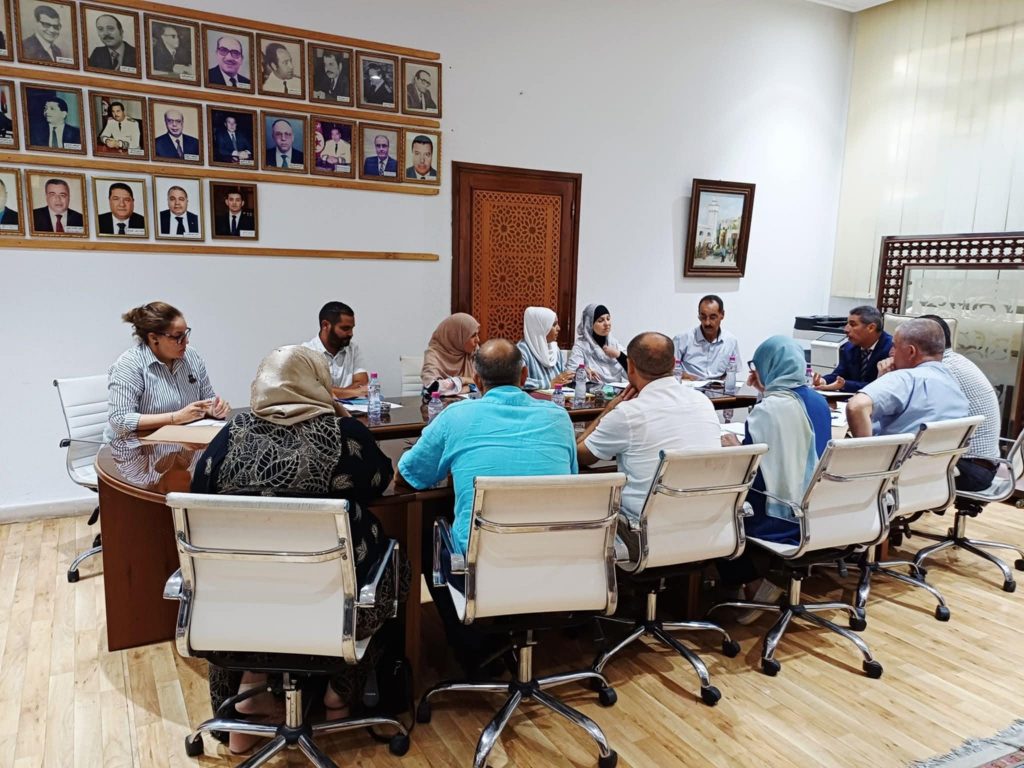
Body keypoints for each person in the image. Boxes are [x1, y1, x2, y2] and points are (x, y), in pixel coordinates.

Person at [191, 345, 401, 753]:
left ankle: (249, 695)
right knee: (392, 562)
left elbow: (200, 491)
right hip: (329, 602)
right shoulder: (343, 436)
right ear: (319, 384)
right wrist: (340, 415)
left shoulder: (230, 434)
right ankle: (339, 693)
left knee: (259, 575)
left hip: (240, 601)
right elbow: (380, 480)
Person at [397, 339, 576, 668]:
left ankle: (472, 648)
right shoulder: (559, 417)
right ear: (524, 376)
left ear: (477, 381)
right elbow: (571, 481)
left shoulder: (456, 416)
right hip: (553, 559)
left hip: (483, 565)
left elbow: (408, 476)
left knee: (425, 533)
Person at [718, 336, 833, 615]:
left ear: (769, 366)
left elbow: (751, 466)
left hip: (779, 515)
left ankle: (752, 584)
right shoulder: (819, 402)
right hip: (816, 511)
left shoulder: (768, 409)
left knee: (719, 511)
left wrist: (735, 447)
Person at [577, 332, 720, 518]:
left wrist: (609, 410)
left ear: (630, 366)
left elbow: (580, 456)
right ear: (673, 363)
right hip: (707, 520)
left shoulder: (627, 413)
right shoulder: (703, 402)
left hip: (644, 525)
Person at [106, 301, 229, 439]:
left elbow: (208, 399)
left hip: (181, 441)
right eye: (178, 336)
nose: (186, 341)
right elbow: (120, 421)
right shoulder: (129, 365)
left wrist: (215, 408)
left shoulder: (192, 356)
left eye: (186, 333)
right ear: (154, 338)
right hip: (134, 447)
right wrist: (176, 418)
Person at [846, 318, 968, 438]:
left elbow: (856, 406)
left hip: (894, 451)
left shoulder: (904, 379)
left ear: (911, 352)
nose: (891, 352)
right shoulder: (953, 381)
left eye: (894, 346)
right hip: (939, 451)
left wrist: (866, 449)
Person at [919, 316, 1000, 492]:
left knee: (889, 467)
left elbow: (918, 422)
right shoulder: (956, 361)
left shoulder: (941, 371)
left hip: (970, 469)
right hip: (982, 465)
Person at [813, 305, 893, 393]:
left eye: (852, 324)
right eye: (847, 324)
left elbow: (880, 386)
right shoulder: (849, 347)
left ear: (871, 328)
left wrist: (845, 385)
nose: (846, 329)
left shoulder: (892, 350)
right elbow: (839, 375)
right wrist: (824, 381)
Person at [301, 301, 369, 399]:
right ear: (325, 325)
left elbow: (362, 384)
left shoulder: (353, 349)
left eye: (352, 328)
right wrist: (354, 392)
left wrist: (333, 393)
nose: (351, 334)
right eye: (345, 328)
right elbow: (312, 391)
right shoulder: (304, 353)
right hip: (319, 409)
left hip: (352, 409)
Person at [673, 294, 742, 380]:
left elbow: (732, 371)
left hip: (717, 387)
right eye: (703, 317)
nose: (707, 323)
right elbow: (670, 370)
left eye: (713, 317)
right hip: (689, 385)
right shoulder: (682, 339)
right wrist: (685, 376)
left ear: (722, 315)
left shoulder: (731, 341)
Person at [420, 313, 480, 395]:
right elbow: (431, 387)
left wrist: (459, 388)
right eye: (473, 335)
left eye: (477, 334)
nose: (478, 340)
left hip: (469, 402)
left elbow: (485, 383)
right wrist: (463, 380)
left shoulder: (473, 351)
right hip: (440, 403)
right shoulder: (434, 355)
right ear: (456, 336)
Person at [566, 303, 627, 383]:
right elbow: (570, 374)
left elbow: (633, 372)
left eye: (608, 319)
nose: (607, 324)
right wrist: (584, 370)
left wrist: (619, 355)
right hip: (591, 389)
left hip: (616, 389)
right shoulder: (581, 345)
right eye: (600, 321)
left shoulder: (614, 344)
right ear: (590, 324)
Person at [516, 306, 572, 390]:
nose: (559, 328)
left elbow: (562, 376)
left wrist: (577, 374)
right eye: (554, 325)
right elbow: (517, 381)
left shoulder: (555, 349)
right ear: (540, 327)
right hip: (532, 397)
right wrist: (548, 384)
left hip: (557, 396)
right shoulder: (521, 351)